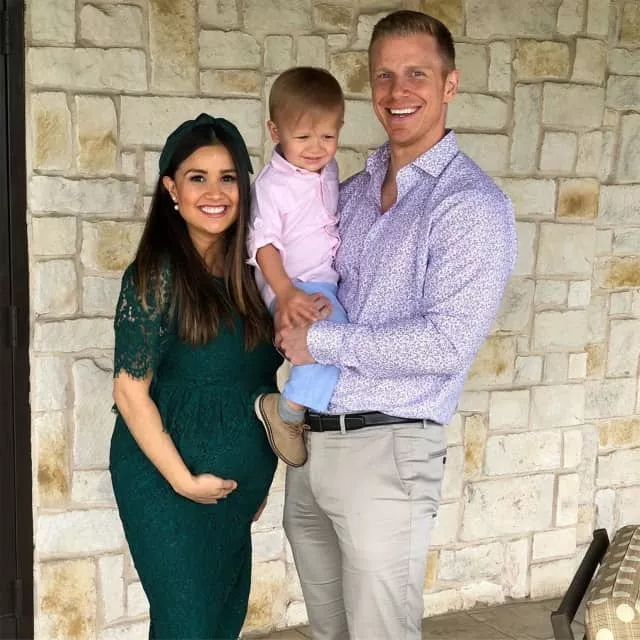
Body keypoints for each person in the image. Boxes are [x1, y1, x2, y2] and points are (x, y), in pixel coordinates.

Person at [278, 10, 518, 640]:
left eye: (416, 74)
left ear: (450, 84)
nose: (397, 90)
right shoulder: (352, 190)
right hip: (312, 446)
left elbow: (446, 344)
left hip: (387, 450)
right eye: (384, 75)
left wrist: (317, 341)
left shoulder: (470, 205)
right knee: (328, 632)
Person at [109, 113, 281, 639]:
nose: (215, 193)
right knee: (187, 625)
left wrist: (259, 475)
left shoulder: (256, 279)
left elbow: (261, 387)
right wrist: (183, 481)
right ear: (171, 189)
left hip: (234, 488)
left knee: (222, 621)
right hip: (166, 482)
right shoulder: (155, 275)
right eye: (197, 177)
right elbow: (129, 391)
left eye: (228, 177)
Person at [248, 67, 348, 468]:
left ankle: (299, 407)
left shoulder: (329, 170)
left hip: (322, 283)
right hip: (295, 285)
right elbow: (264, 246)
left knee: (334, 344)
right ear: (275, 131)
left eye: (328, 136)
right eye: (303, 137)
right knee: (331, 341)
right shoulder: (272, 186)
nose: (316, 148)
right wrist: (286, 293)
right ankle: (287, 411)